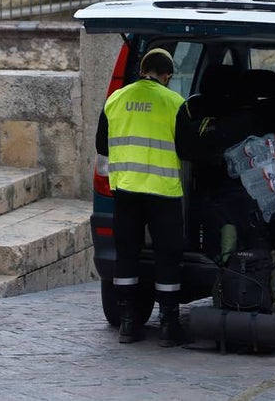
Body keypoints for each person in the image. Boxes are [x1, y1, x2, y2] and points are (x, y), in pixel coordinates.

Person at [95, 47, 187, 347]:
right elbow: (188, 149)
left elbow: (102, 145)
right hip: (163, 192)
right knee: (167, 256)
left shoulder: (115, 99)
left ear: (141, 70)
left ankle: (127, 324)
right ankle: (169, 325)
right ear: (167, 76)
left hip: (126, 190)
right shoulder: (175, 102)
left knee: (127, 255)